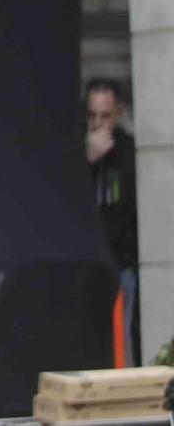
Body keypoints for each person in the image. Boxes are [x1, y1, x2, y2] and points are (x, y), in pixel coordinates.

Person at [86, 77, 139, 366]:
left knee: (120, 341)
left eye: (104, 115)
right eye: (92, 115)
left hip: (120, 264)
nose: (98, 123)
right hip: (90, 264)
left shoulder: (128, 153)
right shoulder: (80, 150)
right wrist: (88, 161)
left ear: (117, 113)